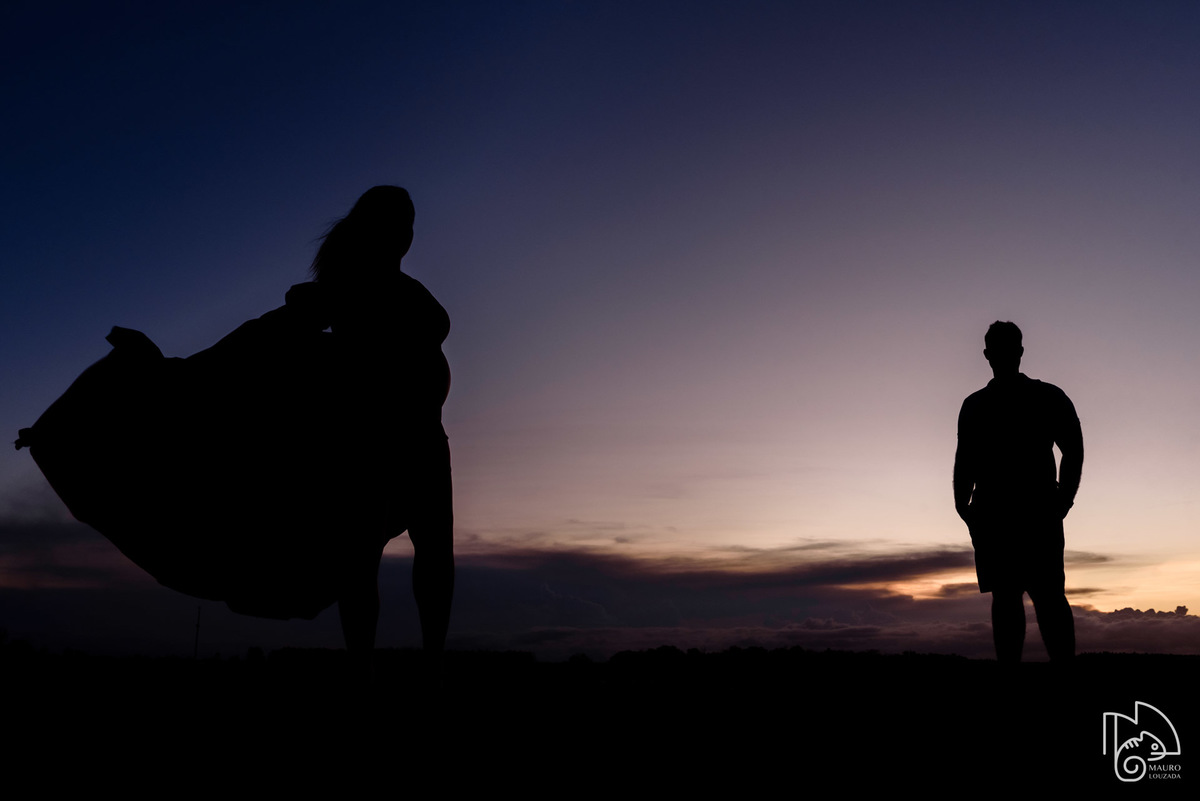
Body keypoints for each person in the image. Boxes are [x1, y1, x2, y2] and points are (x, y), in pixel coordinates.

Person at [290, 186, 454, 670]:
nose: (407, 233)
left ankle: (433, 668)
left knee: (435, 557)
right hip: (372, 440)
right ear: (375, 228)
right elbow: (291, 323)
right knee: (361, 560)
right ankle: (361, 672)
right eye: (399, 222)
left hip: (426, 437)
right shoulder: (348, 284)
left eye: (411, 224)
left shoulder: (403, 284)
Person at [953, 321, 1082, 662]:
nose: (1002, 356)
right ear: (989, 354)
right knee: (1015, 598)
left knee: (1042, 597)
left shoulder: (1042, 397)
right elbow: (965, 459)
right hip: (1003, 514)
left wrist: (1064, 500)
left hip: (1031, 512)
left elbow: (1073, 449)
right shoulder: (978, 404)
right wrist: (963, 507)